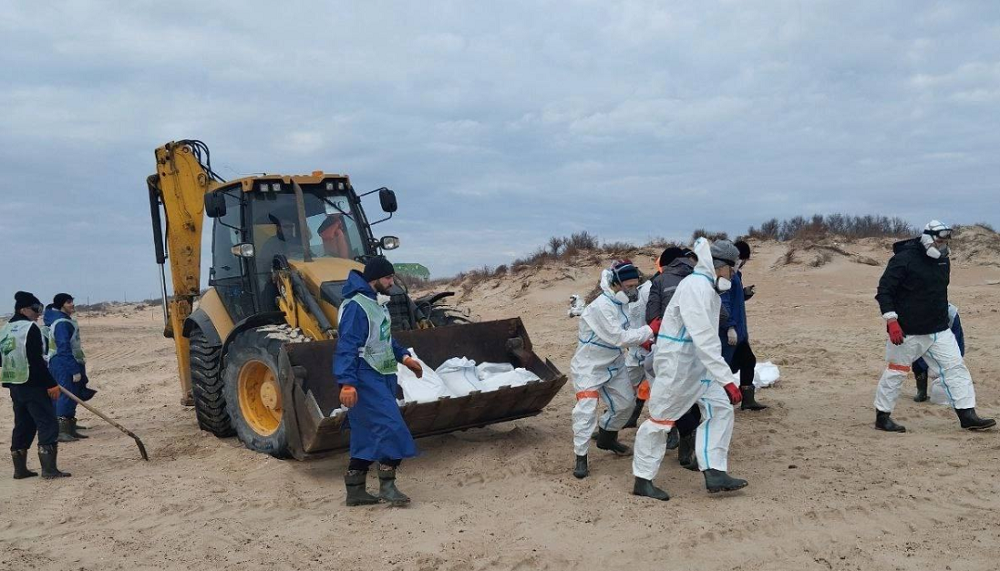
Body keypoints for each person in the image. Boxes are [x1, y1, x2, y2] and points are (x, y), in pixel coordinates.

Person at [632, 239, 748, 500]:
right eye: (734, 268)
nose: (734, 273)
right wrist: (727, 379)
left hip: (697, 366)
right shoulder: (696, 287)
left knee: (719, 409)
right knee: (660, 422)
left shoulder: (707, 287)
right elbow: (703, 335)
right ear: (722, 266)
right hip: (678, 365)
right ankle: (643, 478)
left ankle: (714, 470)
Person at [873, 221, 994, 432]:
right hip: (907, 332)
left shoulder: (943, 262)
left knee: (956, 368)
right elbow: (884, 291)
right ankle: (882, 417)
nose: (942, 245)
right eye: (939, 240)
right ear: (927, 238)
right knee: (896, 372)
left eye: (945, 241)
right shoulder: (903, 260)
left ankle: (967, 414)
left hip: (939, 330)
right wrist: (891, 320)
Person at [334, 256, 424, 506]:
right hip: (364, 376)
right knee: (392, 428)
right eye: (388, 278)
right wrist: (347, 382)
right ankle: (387, 486)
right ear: (374, 279)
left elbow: (383, 338)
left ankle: (355, 491)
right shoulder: (356, 306)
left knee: (364, 433)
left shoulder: (377, 304)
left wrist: (404, 357)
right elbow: (347, 346)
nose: (392, 282)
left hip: (382, 375)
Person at [570, 260, 653, 479]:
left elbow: (629, 328)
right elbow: (618, 337)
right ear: (617, 284)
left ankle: (607, 437)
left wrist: (642, 339)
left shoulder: (623, 303)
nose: (633, 290)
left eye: (636, 285)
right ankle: (581, 456)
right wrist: (649, 331)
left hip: (614, 364)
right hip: (589, 365)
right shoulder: (601, 306)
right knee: (586, 410)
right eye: (629, 286)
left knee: (626, 404)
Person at [1, 291, 70, 479]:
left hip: (15, 385)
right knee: (47, 423)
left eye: (39, 308)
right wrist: (51, 384)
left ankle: (20, 469)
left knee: (23, 424)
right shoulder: (30, 329)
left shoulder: (5, 328)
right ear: (23, 309)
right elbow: (37, 362)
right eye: (35, 309)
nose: (38, 313)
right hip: (33, 385)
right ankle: (49, 470)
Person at [720, 240, 767, 410]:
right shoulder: (727, 277)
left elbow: (735, 300)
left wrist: (745, 293)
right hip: (728, 332)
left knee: (748, 360)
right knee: (724, 366)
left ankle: (747, 399)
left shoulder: (737, 276)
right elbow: (724, 303)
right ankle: (723, 400)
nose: (744, 263)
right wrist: (730, 327)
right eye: (743, 259)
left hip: (739, 330)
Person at [44, 293, 96, 442]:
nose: (72, 304)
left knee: (73, 393)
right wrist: (73, 369)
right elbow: (63, 348)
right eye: (68, 302)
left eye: (72, 301)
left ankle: (70, 427)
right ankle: (62, 430)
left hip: (69, 362)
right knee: (65, 395)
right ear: (61, 305)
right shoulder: (61, 323)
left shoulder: (66, 321)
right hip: (63, 364)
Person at [913, 303, 963, 402]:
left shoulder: (951, 314)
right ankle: (921, 389)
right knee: (918, 357)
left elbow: (958, 345)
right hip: (922, 334)